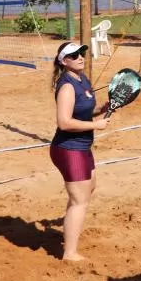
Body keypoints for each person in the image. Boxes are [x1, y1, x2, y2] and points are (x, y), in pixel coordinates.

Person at [50, 42, 110, 261]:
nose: (80, 57)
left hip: (82, 146)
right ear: (64, 61)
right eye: (74, 55)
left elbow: (82, 111)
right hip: (68, 148)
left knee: (88, 189)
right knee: (79, 200)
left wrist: (98, 111)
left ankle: (70, 233)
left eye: (81, 53)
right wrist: (96, 125)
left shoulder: (82, 79)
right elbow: (64, 122)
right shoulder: (66, 86)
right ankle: (70, 253)